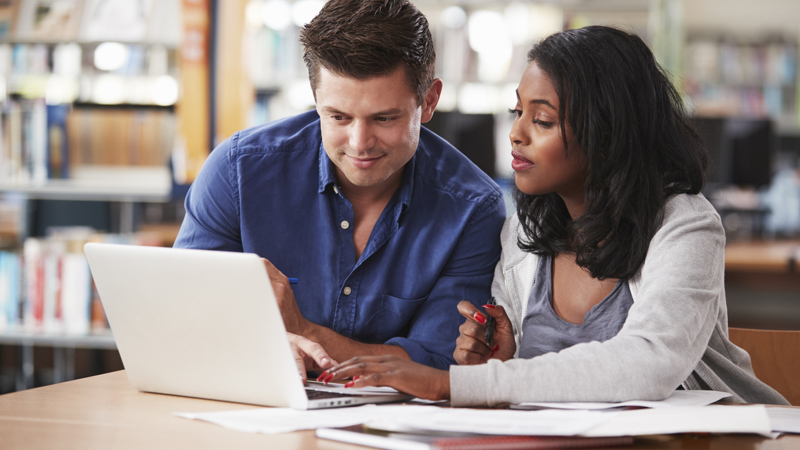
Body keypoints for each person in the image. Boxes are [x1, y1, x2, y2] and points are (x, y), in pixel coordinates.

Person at [320, 26, 790, 406]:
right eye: (517, 111)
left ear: (607, 135)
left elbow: (651, 363)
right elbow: (534, 381)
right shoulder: (523, 233)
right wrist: (499, 359)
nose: (516, 134)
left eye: (542, 120)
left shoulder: (686, 225)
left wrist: (453, 384)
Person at [172, 0, 506, 380]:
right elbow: (182, 317)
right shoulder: (237, 171)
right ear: (316, 98)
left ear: (428, 101)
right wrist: (251, 342)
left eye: (384, 118)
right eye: (338, 117)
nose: (359, 143)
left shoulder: (473, 210)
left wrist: (303, 333)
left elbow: (439, 368)